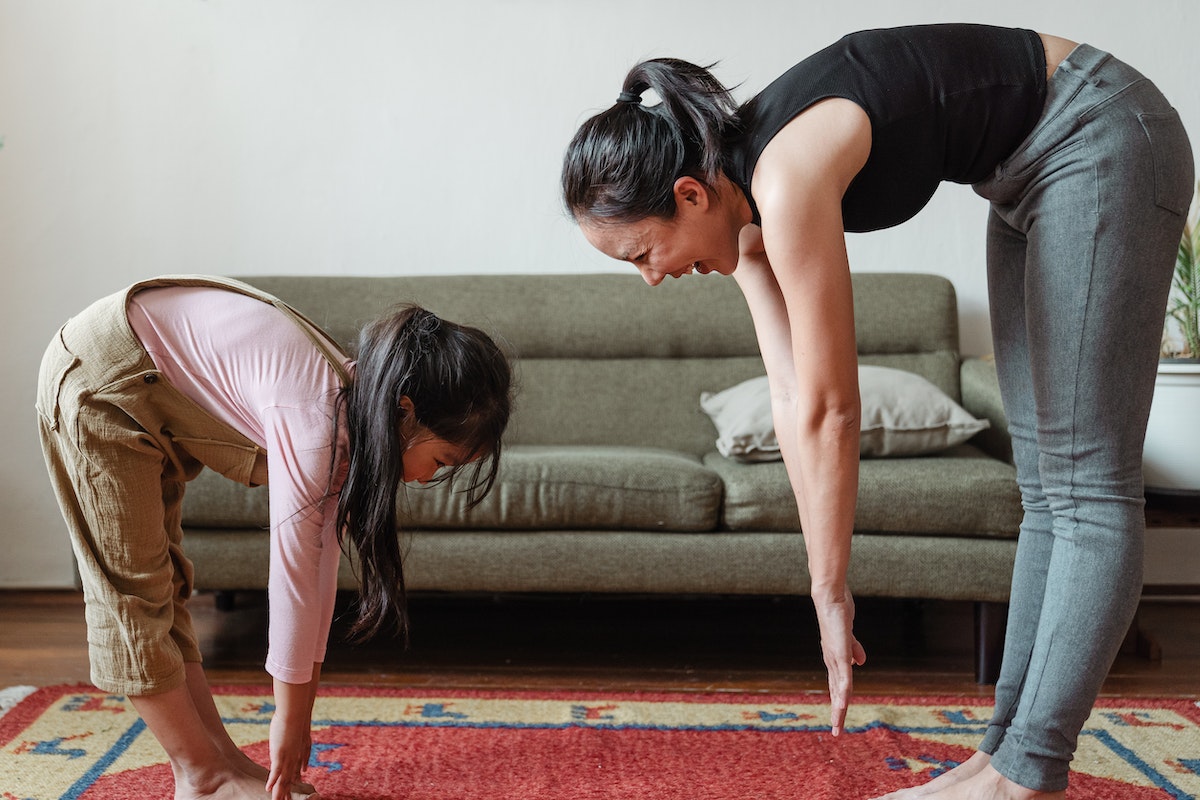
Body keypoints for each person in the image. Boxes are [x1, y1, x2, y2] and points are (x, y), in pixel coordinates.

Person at [561, 24, 1193, 800]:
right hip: (1023, 175)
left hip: (1101, 134)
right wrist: (822, 585)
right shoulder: (745, 215)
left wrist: (834, 589)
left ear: (689, 195)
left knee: (1086, 487)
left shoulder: (784, 179)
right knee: (1048, 492)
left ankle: (1028, 772)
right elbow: (793, 400)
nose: (652, 279)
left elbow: (834, 408)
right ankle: (1002, 757)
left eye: (641, 254)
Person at [36, 275, 512, 800]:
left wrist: (300, 715)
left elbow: (319, 569)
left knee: (165, 587)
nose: (424, 479)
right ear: (405, 411)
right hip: (102, 377)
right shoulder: (316, 420)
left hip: (146, 382)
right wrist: (287, 721)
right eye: (440, 461)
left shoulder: (353, 413)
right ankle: (201, 775)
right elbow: (292, 580)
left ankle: (221, 762)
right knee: (133, 594)